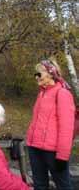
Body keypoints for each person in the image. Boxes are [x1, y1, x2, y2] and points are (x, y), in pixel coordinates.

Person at [26, 59, 75, 190]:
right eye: (35, 74)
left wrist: (62, 156)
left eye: (39, 73)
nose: (36, 77)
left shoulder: (63, 93)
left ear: (50, 74)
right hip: (34, 148)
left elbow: (67, 127)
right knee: (40, 185)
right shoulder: (41, 93)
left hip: (52, 152)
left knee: (63, 186)